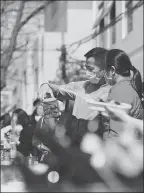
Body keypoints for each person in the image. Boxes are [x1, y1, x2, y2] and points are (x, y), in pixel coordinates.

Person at [39, 47, 109, 146]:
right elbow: (54, 89)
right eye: (86, 68)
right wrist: (45, 86)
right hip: (73, 143)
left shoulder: (112, 92)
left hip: (95, 144)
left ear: (104, 69)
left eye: (91, 69)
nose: (87, 73)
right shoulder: (81, 86)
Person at [103, 49, 143, 140]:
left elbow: (116, 134)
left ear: (112, 70)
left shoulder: (119, 92)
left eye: (105, 69)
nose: (104, 74)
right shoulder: (130, 86)